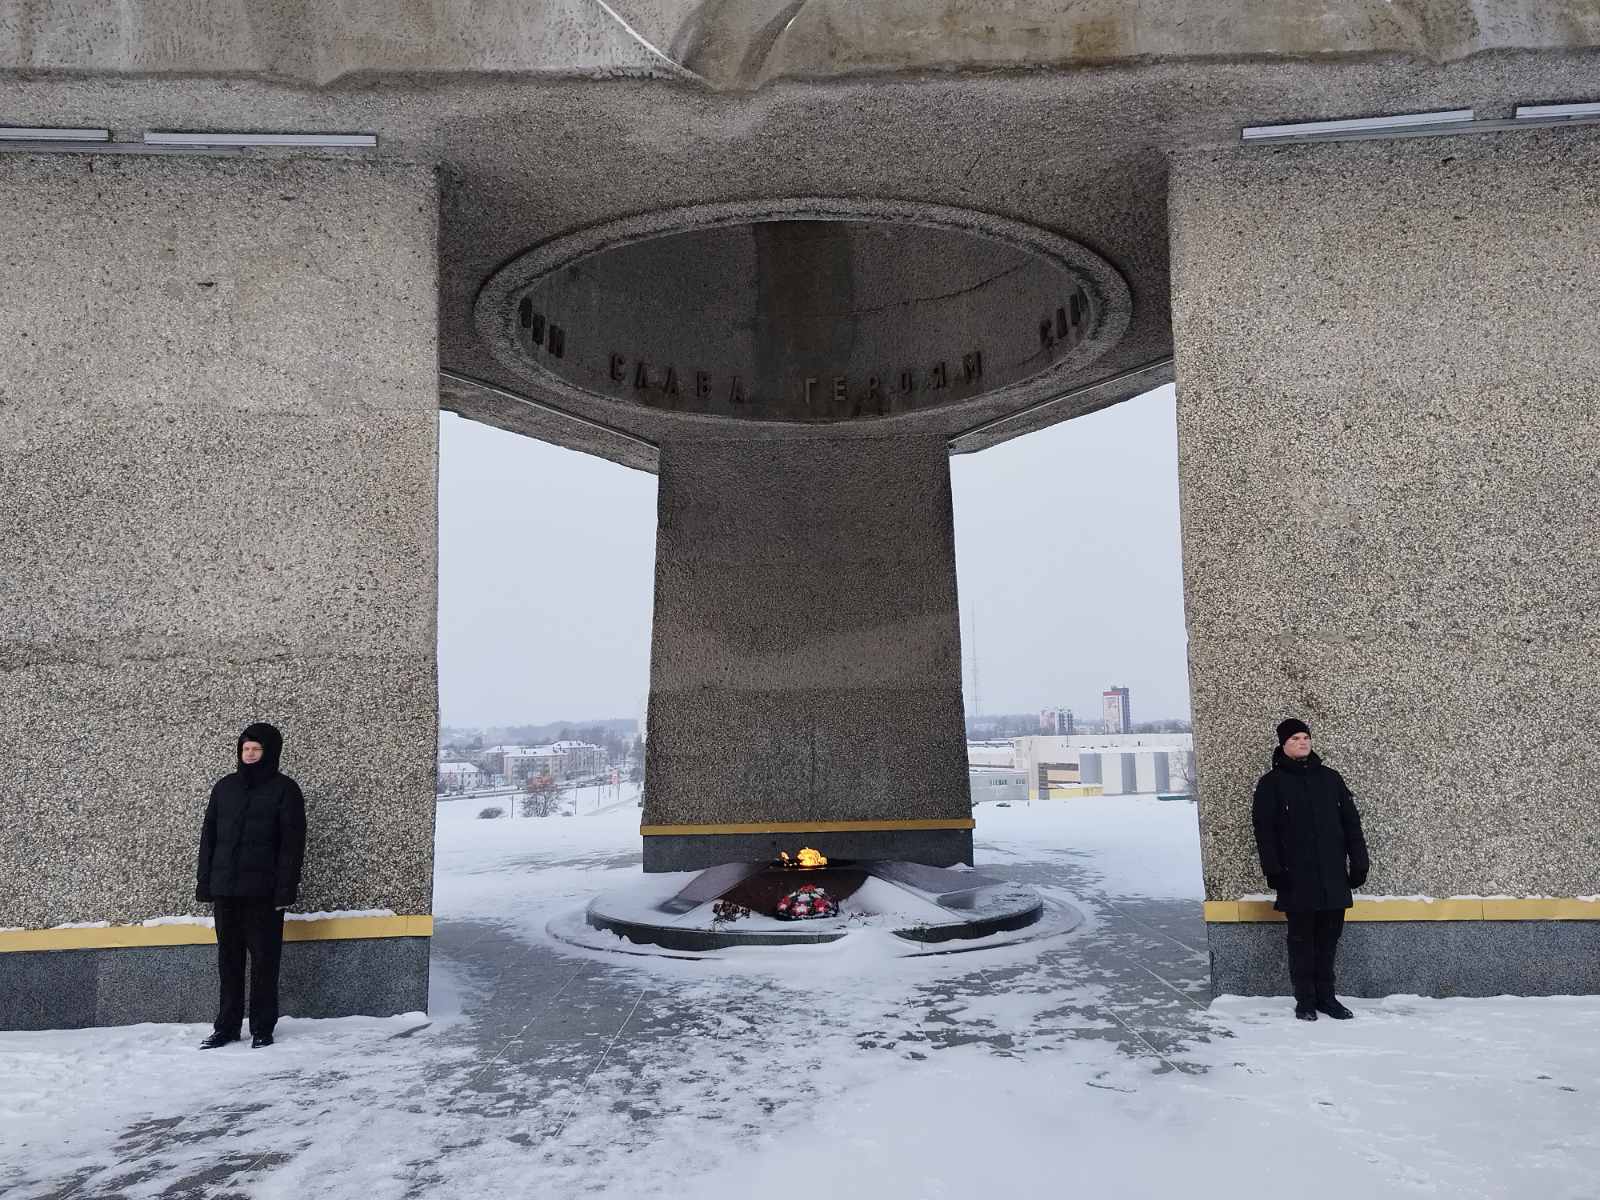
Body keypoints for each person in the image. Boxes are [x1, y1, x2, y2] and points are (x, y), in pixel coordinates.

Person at [195, 722, 306, 1049]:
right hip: (226, 892)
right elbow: (209, 838)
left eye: (256, 749)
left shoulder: (285, 790)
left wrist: (285, 889)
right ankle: (227, 1027)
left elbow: (291, 845)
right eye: (246, 749)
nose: (250, 754)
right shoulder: (224, 788)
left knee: (264, 962)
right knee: (228, 962)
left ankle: (262, 1027)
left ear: (269, 752)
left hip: (264, 894)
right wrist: (205, 882)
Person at [1251, 718, 1369, 1022]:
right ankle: (1305, 1001)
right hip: (1296, 878)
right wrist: (1274, 870)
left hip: (1332, 877)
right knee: (1302, 942)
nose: (1302, 742)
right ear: (1283, 745)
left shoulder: (1331, 779)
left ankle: (1327, 998)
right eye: (1295, 739)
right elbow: (1264, 832)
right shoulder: (1271, 784)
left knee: (1328, 942)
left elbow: (1351, 824)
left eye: (1305, 737)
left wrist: (1359, 862)